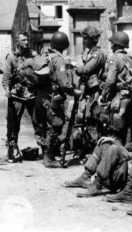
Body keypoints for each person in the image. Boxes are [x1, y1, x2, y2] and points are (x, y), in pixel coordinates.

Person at [42, 31, 81, 168]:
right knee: (55, 126)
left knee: (50, 126)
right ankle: (49, 158)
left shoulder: (48, 56)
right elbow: (63, 82)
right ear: (64, 45)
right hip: (55, 97)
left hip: (46, 96)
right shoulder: (59, 59)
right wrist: (74, 91)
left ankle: (50, 154)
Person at [70, 26, 107, 159]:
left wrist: (76, 67)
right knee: (83, 119)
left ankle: (96, 152)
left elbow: (86, 69)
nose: (83, 41)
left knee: (93, 120)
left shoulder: (97, 54)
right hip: (86, 90)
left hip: (94, 91)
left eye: (85, 38)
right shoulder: (89, 53)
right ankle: (86, 148)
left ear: (92, 39)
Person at [2, 31, 39, 162]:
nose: (27, 42)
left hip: (31, 94)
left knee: (38, 120)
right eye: (23, 40)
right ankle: (13, 148)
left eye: (27, 40)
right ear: (17, 41)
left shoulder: (33, 56)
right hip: (17, 95)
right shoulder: (11, 58)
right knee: (13, 123)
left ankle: (46, 149)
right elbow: (6, 78)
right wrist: (7, 91)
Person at [99, 31, 132, 145]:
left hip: (118, 97)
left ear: (115, 44)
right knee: (125, 126)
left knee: (114, 127)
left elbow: (110, 80)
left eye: (112, 43)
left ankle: (115, 151)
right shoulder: (130, 59)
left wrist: (103, 94)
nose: (111, 46)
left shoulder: (114, 59)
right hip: (130, 96)